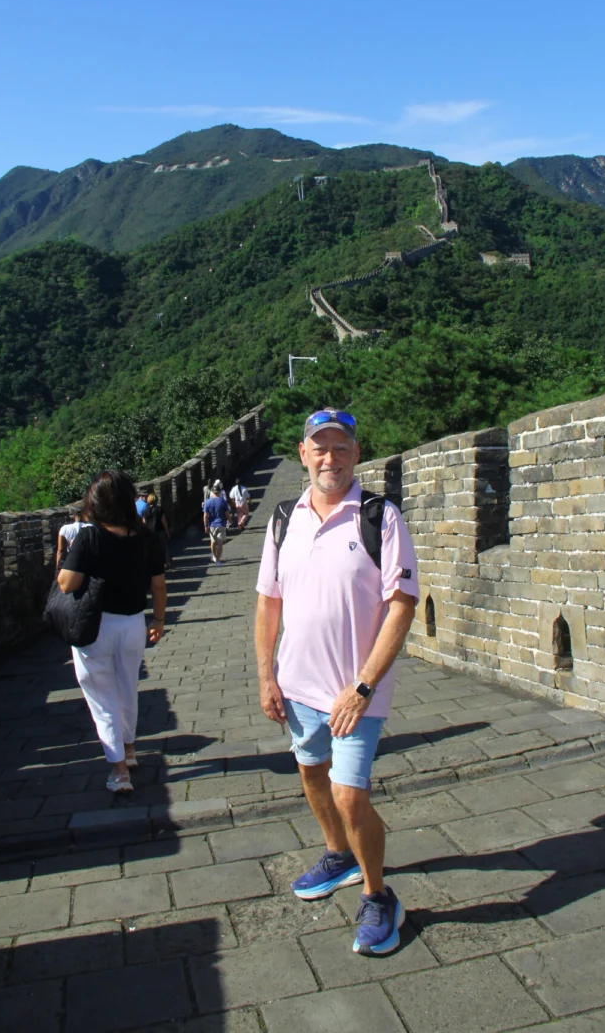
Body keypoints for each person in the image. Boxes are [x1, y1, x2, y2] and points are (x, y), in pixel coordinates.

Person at [255, 408, 418, 956]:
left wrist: (364, 685)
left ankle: (379, 897)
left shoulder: (380, 517)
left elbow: (402, 605)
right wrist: (266, 675)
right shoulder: (284, 518)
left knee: (351, 796)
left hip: (356, 695)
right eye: (319, 448)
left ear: (356, 452)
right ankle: (338, 854)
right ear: (303, 454)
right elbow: (268, 601)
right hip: (297, 687)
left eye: (341, 447)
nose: (330, 458)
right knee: (312, 776)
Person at [58, 470, 167, 793]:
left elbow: (66, 583)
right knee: (127, 688)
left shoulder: (89, 538)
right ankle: (129, 750)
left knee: (102, 697)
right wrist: (158, 621)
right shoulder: (145, 537)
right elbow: (158, 585)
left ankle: (119, 772)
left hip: (96, 627)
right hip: (133, 623)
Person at [203, 479, 230, 564]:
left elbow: (205, 516)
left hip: (211, 525)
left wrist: (205, 526)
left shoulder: (207, 502)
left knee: (213, 542)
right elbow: (227, 513)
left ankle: (214, 556)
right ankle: (218, 560)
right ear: (218, 492)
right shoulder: (222, 501)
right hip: (221, 524)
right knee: (220, 544)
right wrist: (230, 520)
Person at [143, 492, 171, 569]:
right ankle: (166, 563)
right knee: (163, 547)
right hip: (160, 531)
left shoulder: (145, 511)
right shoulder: (159, 509)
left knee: (152, 548)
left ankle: (152, 562)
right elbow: (164, 521)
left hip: (150, 532)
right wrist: (167, 531)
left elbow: (144, 523)